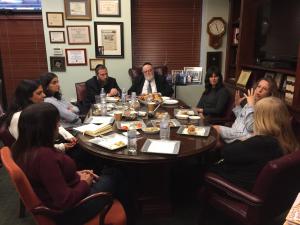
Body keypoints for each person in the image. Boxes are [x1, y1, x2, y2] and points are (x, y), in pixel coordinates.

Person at [12, 103, 116, 225]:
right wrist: (84, 182)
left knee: (108, 172)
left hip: (66, 194)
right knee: (116, 173)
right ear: (45, 127)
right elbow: (65, 201)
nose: (59, 125)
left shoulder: (23, 148)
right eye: (57, 122)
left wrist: (76, 175)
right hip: (70, 213)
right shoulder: (44, 156)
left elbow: (51, 178)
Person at [209, 97, 299, 191]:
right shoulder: (288, 140)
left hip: (235, 187)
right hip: (260, 188)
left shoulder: (260, 142)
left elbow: (226, 153)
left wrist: (243, 139)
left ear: (261, 119)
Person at [6, 79, 76, 152]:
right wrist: (62, 147)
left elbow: (55, 125)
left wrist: (68, 136)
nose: (44, 95)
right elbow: (30, 148)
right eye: (39, 93)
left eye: (43, 92)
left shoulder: (37, 111)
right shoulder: (18, 117)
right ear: (27, 97)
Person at [213, 77, 279, 143]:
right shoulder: (252, 100)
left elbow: (250, 127)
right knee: (212, 136)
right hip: (234, 131)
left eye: (264, 89)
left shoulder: (266, 108)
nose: (259, 90)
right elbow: (242, 117)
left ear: (269, 94)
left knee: (214, 129)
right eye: (259, 86)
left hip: (243, 136)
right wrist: (237, 105)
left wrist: (251, 105)